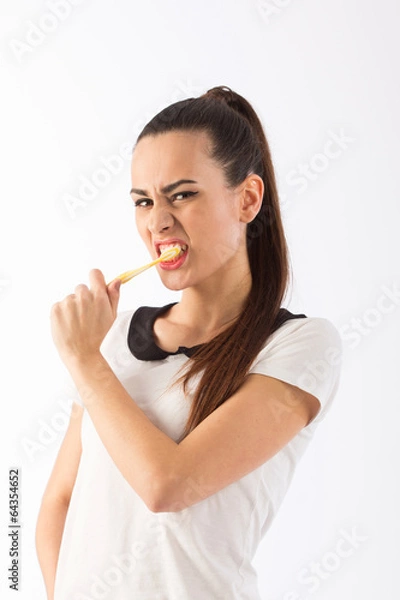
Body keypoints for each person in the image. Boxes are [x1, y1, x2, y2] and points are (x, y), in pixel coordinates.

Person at [35, 85, 343, 600]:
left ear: (247, 199)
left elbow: (168, 486)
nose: (157, 221)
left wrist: (83, 360)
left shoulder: (300, 346)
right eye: (143, 201)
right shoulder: (111, 336)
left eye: (182, 194)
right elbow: (56, 505)